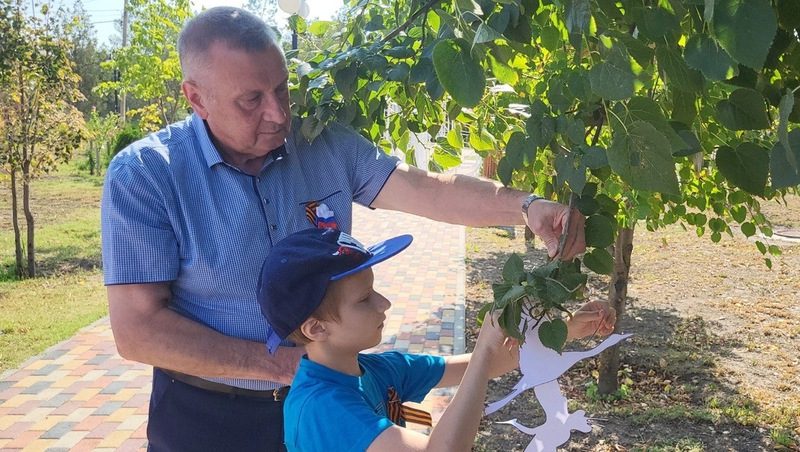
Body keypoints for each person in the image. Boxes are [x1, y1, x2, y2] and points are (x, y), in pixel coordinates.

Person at [100, 6, 587, 452]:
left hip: (330, 396)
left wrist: (526, 207)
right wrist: (295, 368)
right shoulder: (147, 175)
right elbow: (137, 330)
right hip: (211, 417)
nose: (278, 113)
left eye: (282, 89)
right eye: (251, 100)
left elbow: (426, 188)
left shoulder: (321, 143)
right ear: (196, 98)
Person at [257, 228, 616, 451]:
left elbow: (482, 365)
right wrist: (485, 348)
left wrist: (565, 330)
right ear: (316, 328)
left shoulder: (373, 370)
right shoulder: (323, 408)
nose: (384, 303)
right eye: (365, 299)